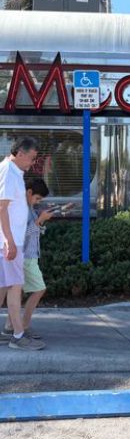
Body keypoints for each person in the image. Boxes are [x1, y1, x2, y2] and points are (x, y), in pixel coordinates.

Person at [0, 137, 44, 351]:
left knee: (3, 289)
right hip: (9, 243)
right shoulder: (8, 171)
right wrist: (9, 240)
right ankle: (17, 336)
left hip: (8, 242)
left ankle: (10, 332)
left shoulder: (13, 172)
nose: (33, 163)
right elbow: (1, 208)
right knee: (15, 289)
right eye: (32, 158)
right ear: (20, 153)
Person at [2, 178, 53, 341]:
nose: (38, 202)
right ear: (29, 192)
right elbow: (21, 235)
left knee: (16, 293)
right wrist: (40, 220)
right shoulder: (21, 209)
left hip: (28, 255)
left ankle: (12, 326)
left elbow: (33, 231)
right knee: (39, 289)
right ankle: (22, 326)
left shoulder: (28, 207)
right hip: (25, 257)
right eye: (37, 198)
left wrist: (40, 222)